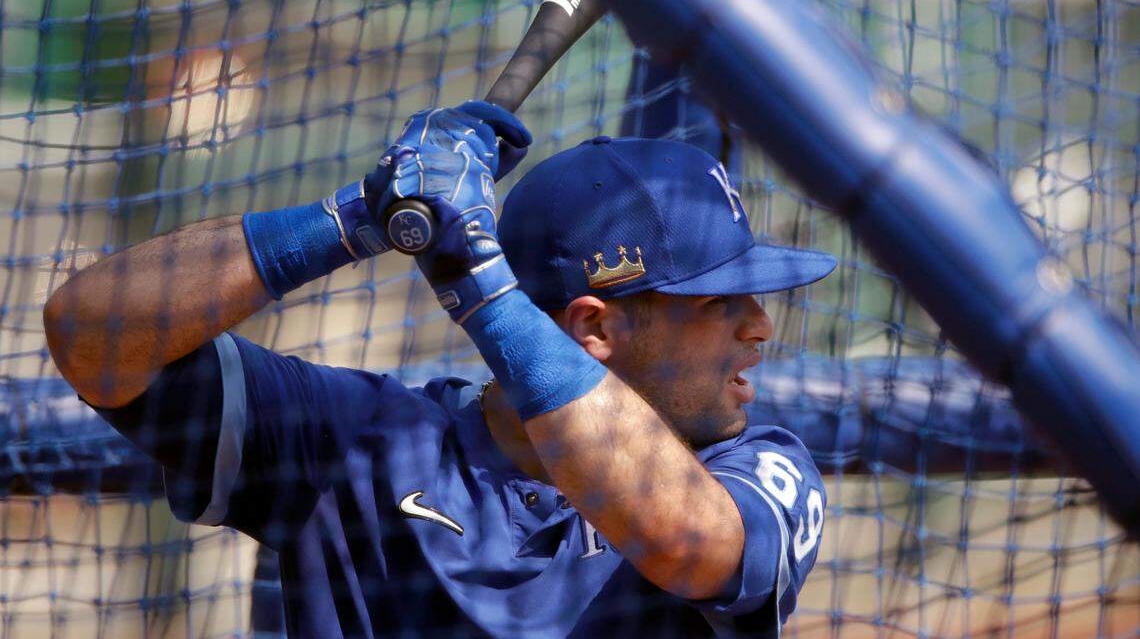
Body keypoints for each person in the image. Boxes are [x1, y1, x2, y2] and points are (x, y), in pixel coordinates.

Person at [43, 101, 836, 639]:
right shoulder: (364, 441)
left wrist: (475, 278)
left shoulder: (759, 471)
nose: (759, 327)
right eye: (716, 304)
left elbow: (689, 541)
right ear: (594, 327)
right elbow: (89, 333)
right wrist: (352, 220)